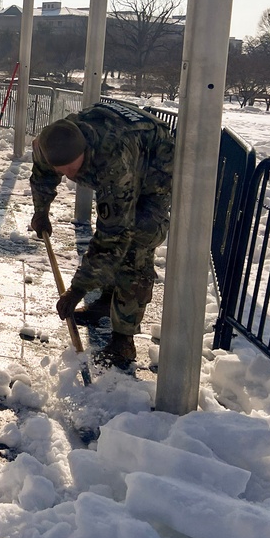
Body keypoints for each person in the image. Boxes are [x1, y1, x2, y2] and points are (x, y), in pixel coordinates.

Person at [29, 102, 175, 369]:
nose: (68, 175)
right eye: (60, 170)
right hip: (125, 147)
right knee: (113, 233)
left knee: (135, 244)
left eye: (72, 169)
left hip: (156, 167)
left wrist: (77, 289)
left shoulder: (114, 160)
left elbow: (113, 236)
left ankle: (123, 342)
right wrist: (41, 211)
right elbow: (42, 176)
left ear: (84, 150)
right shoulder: (49, 144)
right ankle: (107, 302)